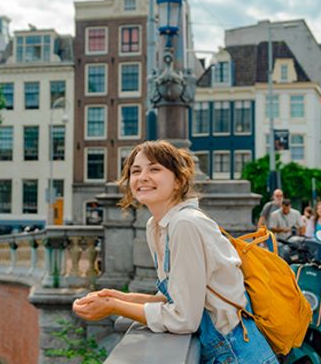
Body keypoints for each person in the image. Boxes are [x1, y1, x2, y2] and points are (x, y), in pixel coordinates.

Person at [72, 141, 278, 364]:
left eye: (154, 169)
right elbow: (176, 296)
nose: (142, 177)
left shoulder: (185, 224)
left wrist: (113, 307)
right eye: (135, 171)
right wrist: (121, 296)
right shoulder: (157, 226)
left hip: (236, 355)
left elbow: (184, 318)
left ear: (179, 181)